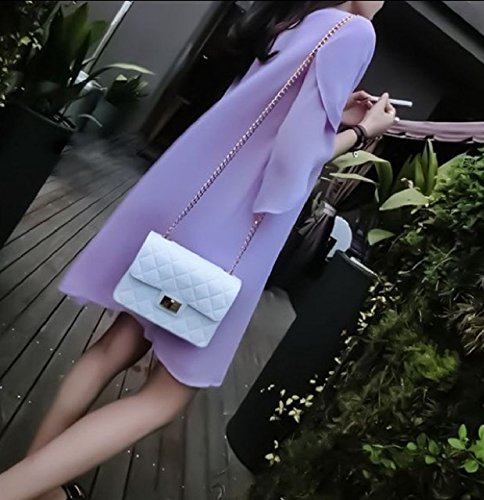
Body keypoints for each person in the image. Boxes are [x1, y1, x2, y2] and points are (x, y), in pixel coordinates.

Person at [0, 1, 395, 499]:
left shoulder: (300, 17)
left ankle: (42, 487)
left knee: (116, 346)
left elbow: (261, 121)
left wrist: (336, 116)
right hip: (230, 238)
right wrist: (361, 133)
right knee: (165, 397)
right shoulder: (356, 32)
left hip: (190, 214)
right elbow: (293, 161)